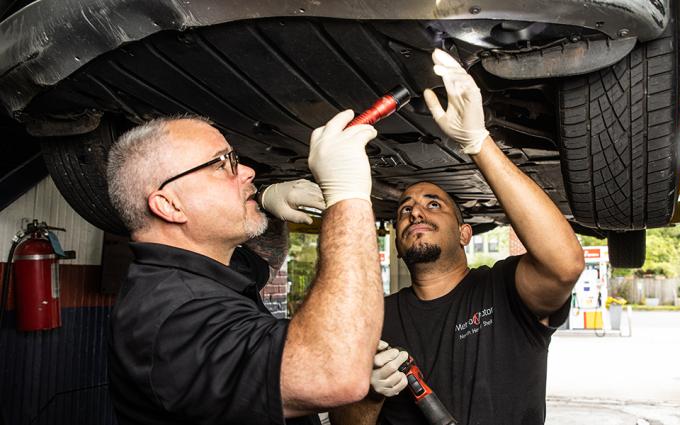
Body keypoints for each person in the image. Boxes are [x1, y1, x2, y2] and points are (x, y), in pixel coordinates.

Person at [329, 49, 586, 425]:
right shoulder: (374, 318)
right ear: (398, 245)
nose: (415, 211)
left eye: (434, 205)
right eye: (404, 210)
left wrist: (478, 142)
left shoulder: (504, 289)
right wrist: (367, 392)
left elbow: (565, 265)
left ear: (465, 233)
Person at [106, 111, 384, 424]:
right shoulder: (173, 319)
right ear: (170, 205)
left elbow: (266, 260)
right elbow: (331, 374)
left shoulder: (200, 270)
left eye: (234, 159)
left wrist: (263, 201)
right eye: (220, 164)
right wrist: (348, 196)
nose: (248, 171)